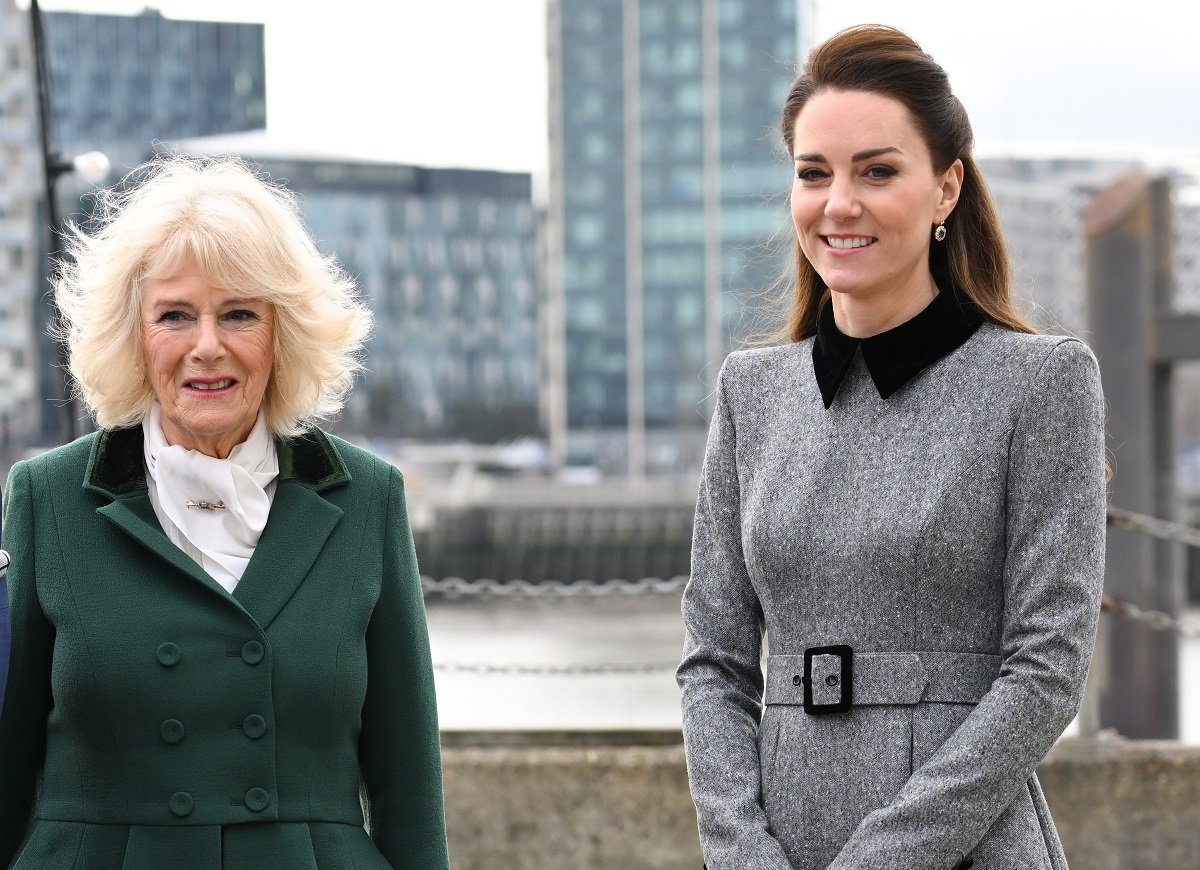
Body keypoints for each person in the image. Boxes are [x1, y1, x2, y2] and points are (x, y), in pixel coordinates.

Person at [676, 24, 1106, 870]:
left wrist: (887, 859)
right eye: (814, 173)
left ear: (946, 189)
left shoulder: (1040, 383)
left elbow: (1048, 666)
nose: (840, 202)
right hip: (779, 847)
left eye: (877, 171)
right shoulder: (751, 393)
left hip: (963, 847)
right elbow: (712, 664)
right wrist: (741, 854)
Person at [0, 155, 450, 869]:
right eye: (174, 315)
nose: (206, 346)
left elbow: (409, 792)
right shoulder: (47, 499)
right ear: (133, 336)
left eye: (239, 313)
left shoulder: (368, 498)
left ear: (283, 333)